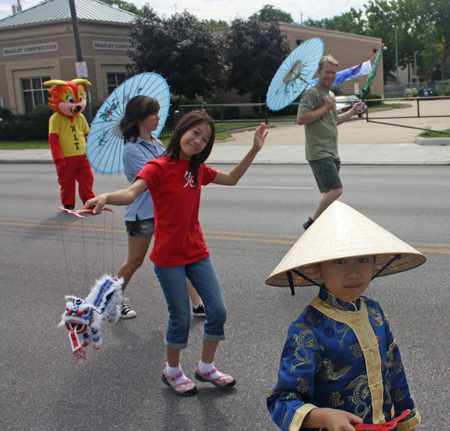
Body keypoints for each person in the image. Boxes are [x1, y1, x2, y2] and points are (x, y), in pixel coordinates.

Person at [84, 110, 268, 395]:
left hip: (197, 253)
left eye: (205, 139)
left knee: (217, 311)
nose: (198, 141)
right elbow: (131, 193)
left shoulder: (197, 170)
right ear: (182, 130)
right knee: (180, 316)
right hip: (168, 258)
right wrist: (106, 197)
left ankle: (206, 368)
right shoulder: (157, 167)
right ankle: (172, 371)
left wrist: (254, 150)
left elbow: (231, 178)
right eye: (195, 133)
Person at [266, 201, 425, 431]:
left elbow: (395, 371)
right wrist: (322, 416)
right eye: (339, 261)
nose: (353, 272)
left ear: (375, 261)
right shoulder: (307, 330)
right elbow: (281, 401)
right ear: (317, 267)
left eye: (362, 259)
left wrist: (405, 419)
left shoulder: (374, 312)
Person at [115, 95, 205, 319]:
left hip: (163, 212)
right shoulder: (132, 150)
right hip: (142, 214)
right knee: (135, 261)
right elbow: (158, 177)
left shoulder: (156, 143)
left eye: (157, 112)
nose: (157, 117)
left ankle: (197, 303)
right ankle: (114, 299)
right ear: (139, 117)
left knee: (175, 255)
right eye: (152, 113)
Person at [297, 55, 365, 230]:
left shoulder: (330, 94)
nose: (330, 76)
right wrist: (324, 107)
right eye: (327, 72)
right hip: (319, 151)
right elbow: (301, 118)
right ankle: (311, 224)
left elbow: (334, 120)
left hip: (332, 151)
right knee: (336, 190)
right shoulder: (311, 93)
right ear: (319, 72)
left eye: (333, 73)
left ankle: (321, 226)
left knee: (329, 193)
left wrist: (352, 111)